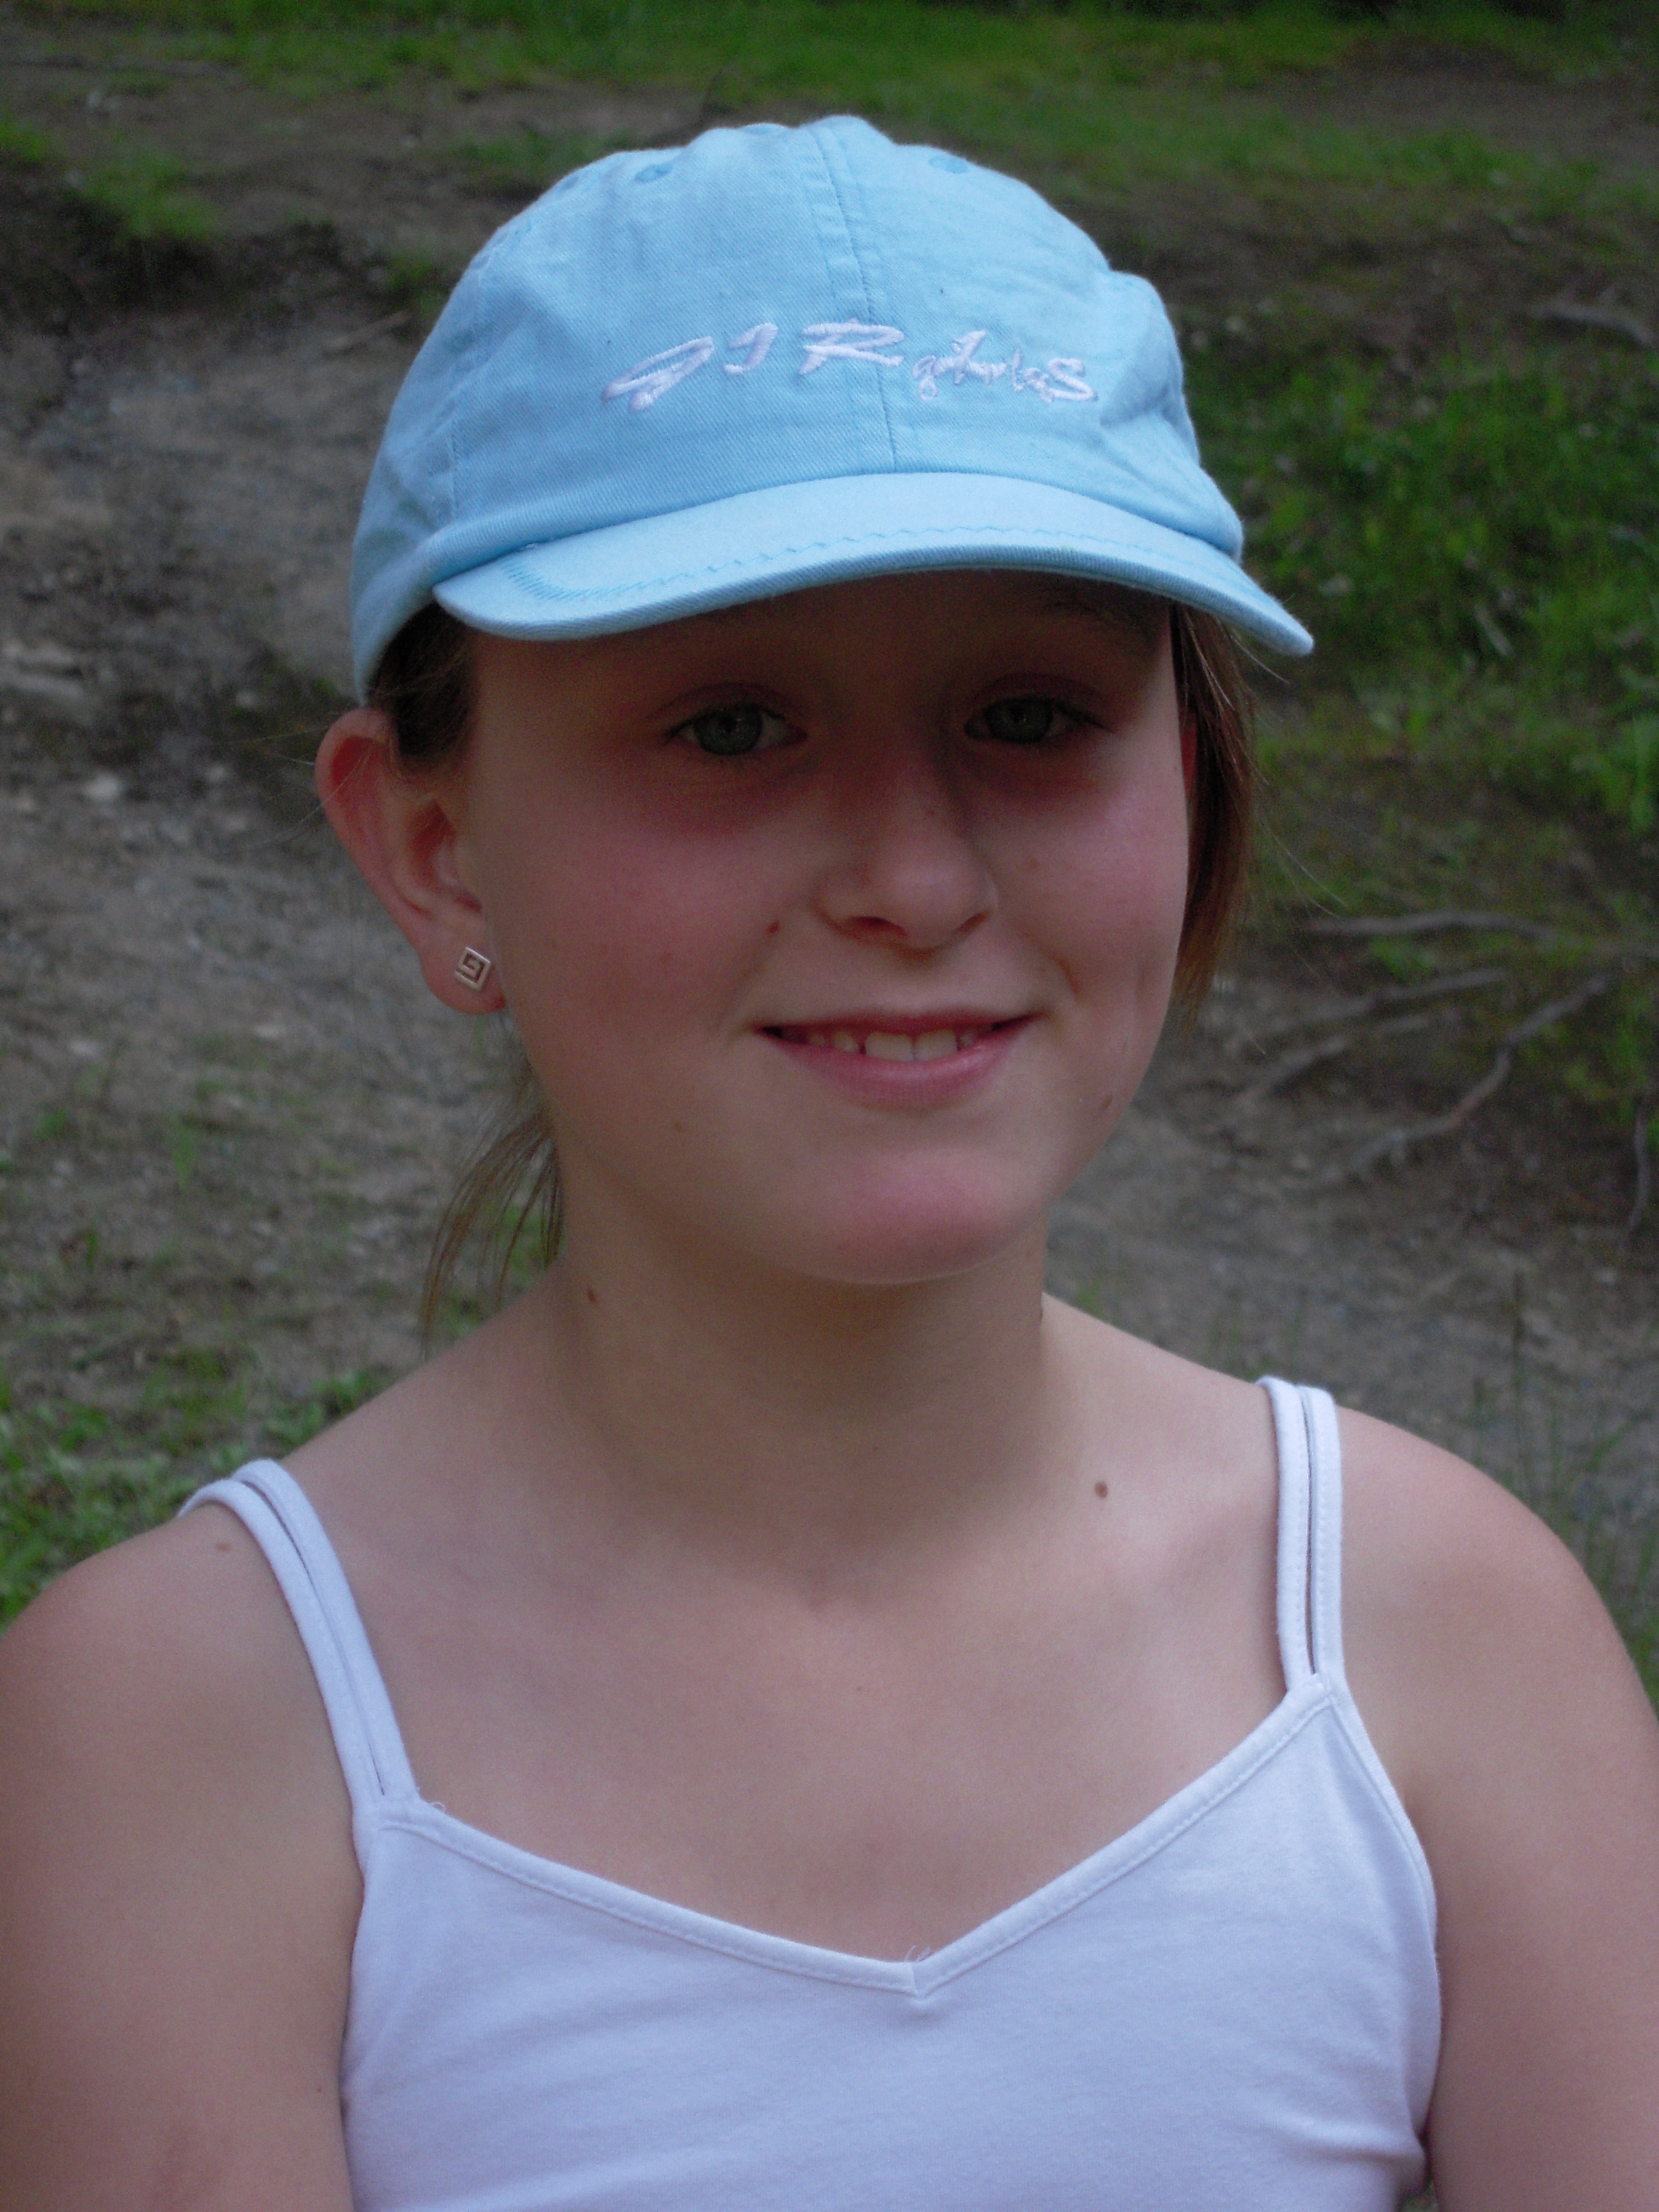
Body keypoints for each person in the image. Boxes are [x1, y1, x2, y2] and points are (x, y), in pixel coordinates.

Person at [1, 116, 1655, 2212]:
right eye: (730, 727)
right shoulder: (178, 1739)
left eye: (1032, 717)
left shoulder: (1444, 1648)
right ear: (434, 850)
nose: (914, 877)